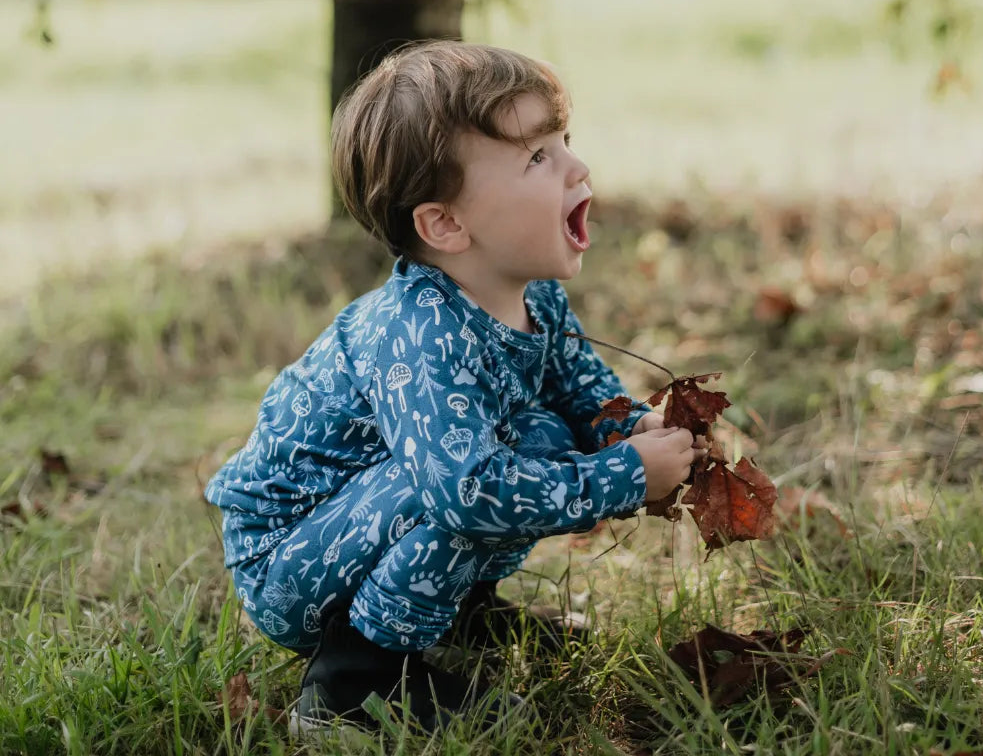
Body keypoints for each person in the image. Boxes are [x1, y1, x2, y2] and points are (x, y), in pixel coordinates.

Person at [204, 41, 706, 735]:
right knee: (476, 474)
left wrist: (634, 431)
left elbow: (584, 394)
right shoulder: (418, 332)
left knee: (541, 436)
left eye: (565, 142)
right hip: (293, 564)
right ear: (445, 224)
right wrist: (622, 478)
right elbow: (463, 492)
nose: (576, 167)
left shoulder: (535, 299)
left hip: (368, 528)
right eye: (537, 157)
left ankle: (454, 612)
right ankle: (352, 681)